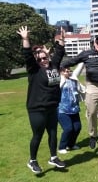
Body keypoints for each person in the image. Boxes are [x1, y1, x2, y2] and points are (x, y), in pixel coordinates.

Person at [17, 26, 66, 174]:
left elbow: (60, 52)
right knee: (37, 135)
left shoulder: (54, 66)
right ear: (37, 61)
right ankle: (32, 161)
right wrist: (25, 39)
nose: (43, 60)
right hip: (37, 108)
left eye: (45, 57)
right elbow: (27, 55)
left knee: (53, 133)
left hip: (52, 107)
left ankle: (53, 157)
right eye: (40, 59)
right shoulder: (34, 70)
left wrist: (61, 40)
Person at [61, 35, 98, 150]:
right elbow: (73, 61)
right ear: (94, 43)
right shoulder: (86, 54)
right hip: (92, 86)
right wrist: (59, 65)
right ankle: (93, 135)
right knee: (92, 112)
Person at [57, 63, 85, 154]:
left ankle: (71, 144)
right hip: (62, 109)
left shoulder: (73, 78)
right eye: (65, 71)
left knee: (77, 127)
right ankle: (62, 147)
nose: (67, 72)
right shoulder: (58, 80)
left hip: (73, 108)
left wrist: (83, 59)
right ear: (60, 72)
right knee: (68, 128)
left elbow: (79, 68)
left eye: (69, 70)